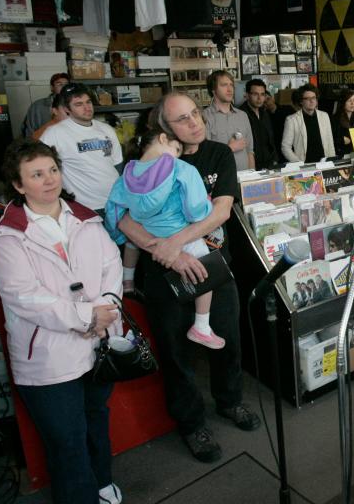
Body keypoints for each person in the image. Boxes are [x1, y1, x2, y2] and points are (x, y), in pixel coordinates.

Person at [117, 93, 261, 464]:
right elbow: (121, 217)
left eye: (195, 113)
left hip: (212, 263)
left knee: (227, 337)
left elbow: (221, 211)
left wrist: (178, 242)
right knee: (175, 351)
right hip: (163, 271)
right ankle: (191, 422)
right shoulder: (144, 162)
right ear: (164, 130)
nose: (194, 122)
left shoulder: (218, 153)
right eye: (182, 119)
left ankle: (230, 401)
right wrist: (166, 250)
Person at [0, 140, 124, 504]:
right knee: (66, 439)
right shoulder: (8, 236)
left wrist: (107, 308)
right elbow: (25, 297)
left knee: (96, 419)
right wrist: (87, 315)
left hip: (98, 342)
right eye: (36, 174)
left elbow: (111, 267)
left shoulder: (85, 218)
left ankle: (102, 483)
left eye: (52, 170)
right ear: (18, 186)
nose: (49, 180)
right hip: (49, 356)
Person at [105, 128, 225, 349]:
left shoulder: (127, 174)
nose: (177, 155)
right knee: (206, 271)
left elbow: (113, 208)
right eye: (177, 148)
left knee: (133, 242)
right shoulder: (182, 169)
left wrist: (116, 234)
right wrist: (206, 206)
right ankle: (201, 325)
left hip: (149, 233)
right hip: (179, 233)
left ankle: (128, 280)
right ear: (162, 138)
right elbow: (195, 211)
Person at [39, 83, 122, 212]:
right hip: (85, 207)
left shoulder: (106, 129)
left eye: (88, 102)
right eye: (79, 104)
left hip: (116, 202)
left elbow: (118, 165)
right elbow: (40, 168)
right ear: (67, 109)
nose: (87, 108)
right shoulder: (54, 134)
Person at [202, 70, 255, 171]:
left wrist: (252, 177)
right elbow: (205, 155)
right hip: (221, 180)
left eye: (231, 85)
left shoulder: (242, 115)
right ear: (213, 89)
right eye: (224, 85)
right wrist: (229, 149)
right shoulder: (205, 117)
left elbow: (250, 151)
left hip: (245, 178)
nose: (230, 89)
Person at [281, 84, 335, 163]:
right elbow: (285, 147)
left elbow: (330, 142)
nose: (312, 101)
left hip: (323, 164)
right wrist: (298, 163)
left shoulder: (324, 116)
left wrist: (331, 162)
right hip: (304, 165)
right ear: (301, 101)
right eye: (307, 98)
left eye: (313, 98)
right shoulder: (291, 120)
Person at [239, 79, 278, 169]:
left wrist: (275, 159)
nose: (259, 98)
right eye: (255, 94)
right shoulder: (241, 114)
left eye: (262, 94)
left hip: (269, 164)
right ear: (247, 95)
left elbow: (270, 138)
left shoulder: (264, 112)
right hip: (251, 165)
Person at [23, 73, 71, 138]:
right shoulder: (37, 106)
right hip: (44, 145)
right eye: (59, 84)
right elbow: (29, 132)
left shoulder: (76, 105)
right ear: (52, 87)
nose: (64, 87)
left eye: (66, 85)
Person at [333, 89, 354, 158]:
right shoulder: (335, 118)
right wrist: (341, 139)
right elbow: (331, 138)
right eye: (349, 101)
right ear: (343, 102)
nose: (352, 103)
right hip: (342, 155)